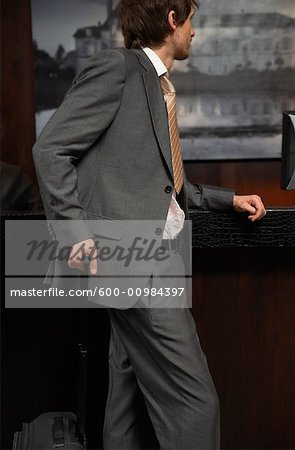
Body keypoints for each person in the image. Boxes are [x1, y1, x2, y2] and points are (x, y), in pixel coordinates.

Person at [33, 0, 266, 448]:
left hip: (150, 258)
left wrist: (227, 199)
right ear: (173, 21)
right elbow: (50, 151)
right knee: (197, 404)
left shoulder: (157, 87)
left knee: (127, 401)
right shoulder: (118, 68)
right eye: (192, 21)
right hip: (136, 261)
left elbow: (164, 184)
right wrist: (76, 235)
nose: (195, 32)